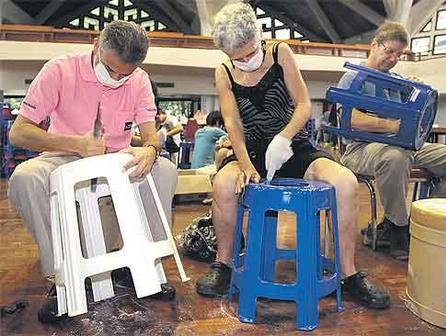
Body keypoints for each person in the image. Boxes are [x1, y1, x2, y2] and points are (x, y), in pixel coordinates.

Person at [195, 3, 390, 310]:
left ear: (258, 36)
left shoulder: (279, 53)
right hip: (252, 152)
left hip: (293, 147)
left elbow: (303, 106)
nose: (245, 61)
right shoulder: (223, 71)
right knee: (222, 185)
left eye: (249, 53)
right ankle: (223, 265)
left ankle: (350, 274)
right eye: (238, 58)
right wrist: (245, 165)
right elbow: (232, 122)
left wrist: (284, 137)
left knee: (345, 182)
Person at [7, 20, 178, 323]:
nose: (115, 78)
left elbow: (151, 136)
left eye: (124, 74)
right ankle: (62, 276)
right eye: (110, 69)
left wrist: (150, 150)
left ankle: (143, 266)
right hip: (63, 156)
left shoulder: (138, 80)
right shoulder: (60, 70)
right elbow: (18, 134)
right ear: (97, 45)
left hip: (117, 160)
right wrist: (75, 144)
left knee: (163, 170)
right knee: (25, 177)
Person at [337, 22, 446, 260]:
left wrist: (414, 94)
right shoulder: (353, 78)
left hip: (404, 145)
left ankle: (423, 220)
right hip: (361, 148)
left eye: (399, 54)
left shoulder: (398, 81)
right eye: (389, 51)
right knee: (395, 158)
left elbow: (413, 117)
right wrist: (392, 125)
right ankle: (398, 230)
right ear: (374, 45)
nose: (393, 59)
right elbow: (351, 120)